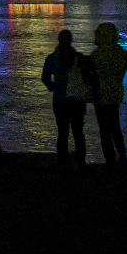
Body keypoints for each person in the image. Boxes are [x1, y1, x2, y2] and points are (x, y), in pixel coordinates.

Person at [42, 29, 95, 168]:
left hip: (60, 100)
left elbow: (45, 77)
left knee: (62, 132)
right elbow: (91, 72)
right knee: (78, 131)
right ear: (71, 41)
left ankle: (63, 161)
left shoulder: (52, 58)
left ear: (58, 41)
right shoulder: (79, 58)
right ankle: (80, 160)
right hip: (77, 100)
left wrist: (54, 87)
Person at [91, 22, 127, 166]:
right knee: (115, 126)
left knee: (104, 129)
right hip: (115, 94)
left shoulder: (97, 55)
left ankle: (110, 158)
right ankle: (122, 155)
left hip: (100, 95)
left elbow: (92, 75)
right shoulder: (120, 53)